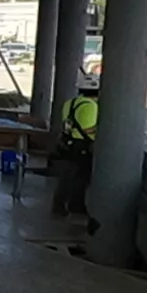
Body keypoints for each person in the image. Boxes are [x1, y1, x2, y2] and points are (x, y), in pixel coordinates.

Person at [54, 76, 100, 218]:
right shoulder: (91, 106)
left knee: (67, 176)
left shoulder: (70, 103)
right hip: (82, 146)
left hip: (68, 142)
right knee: (81, 178)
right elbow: (88, 129)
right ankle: (76, 206)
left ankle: (59, 205)